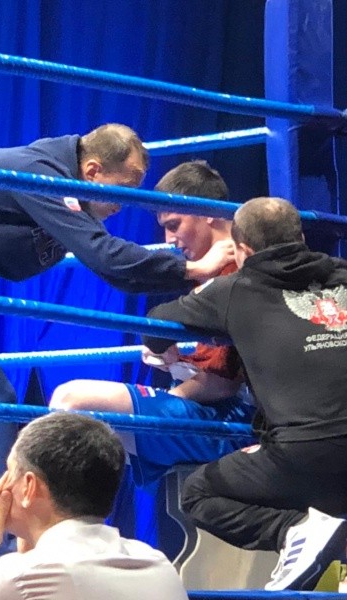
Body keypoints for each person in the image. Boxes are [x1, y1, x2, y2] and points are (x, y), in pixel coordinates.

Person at [0, 125, 231, 507]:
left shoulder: (62, 187)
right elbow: (106, 257)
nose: (124, 202)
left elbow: (113, 269)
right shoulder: (43, 177)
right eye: (125, 186)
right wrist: (194, 270)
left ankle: (8, 532)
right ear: (92, 171)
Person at [141, 196, 347, 591]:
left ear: (243, 251)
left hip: (305, 456)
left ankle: (295, 531)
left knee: (198, 492)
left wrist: (164, 348)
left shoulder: (236, 288)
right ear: (301, 238)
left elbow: (156, 325)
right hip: (318, 457)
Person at [50, 160, 255, 486]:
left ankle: (52, 514)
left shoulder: (236, 271)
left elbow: (223, 384)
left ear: (207, 212)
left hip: (236, 423)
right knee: (85, 431)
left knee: (71, 402)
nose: (169, 239)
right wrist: (178, 362)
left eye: (174, 225)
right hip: (224, 414)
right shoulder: (214, 269)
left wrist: (170, 396)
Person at [0, 412, 188, 600]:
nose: (2, 486)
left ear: (29, 486)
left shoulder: (20, 577)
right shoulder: (158, 563)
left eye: (9, 472)